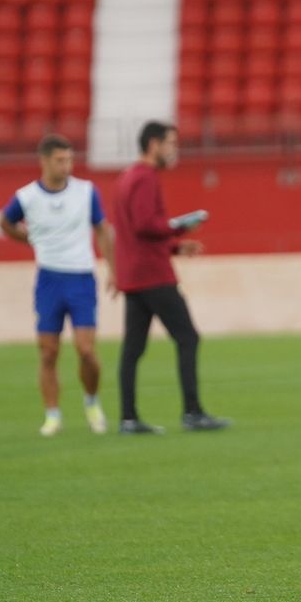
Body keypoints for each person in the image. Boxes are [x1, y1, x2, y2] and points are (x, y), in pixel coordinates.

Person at [111, 120, 228, 434]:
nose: (174, 150)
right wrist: (180, 226)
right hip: (153, 274)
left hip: (133, 274)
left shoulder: (126, 177)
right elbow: (146, 225)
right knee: (188, 337)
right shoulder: (146, 177)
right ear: (154, 144)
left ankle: (128, 417)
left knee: (133, 348)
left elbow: (133, 231)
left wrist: (175, 246)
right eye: (171, 143)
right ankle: (192, 412)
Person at [0, 134, 116, 437]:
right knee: (48, 352)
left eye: (69, 160)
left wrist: (113, 269)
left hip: (81, 277)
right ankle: (52, 414)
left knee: (86, 349)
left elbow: (103, 229)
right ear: (44, 161)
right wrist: (28, 240)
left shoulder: (86, 192)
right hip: (49, 279)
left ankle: (91, 401)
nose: (66, 166)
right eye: (60, 160)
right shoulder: (27, 197)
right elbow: (5, 222)